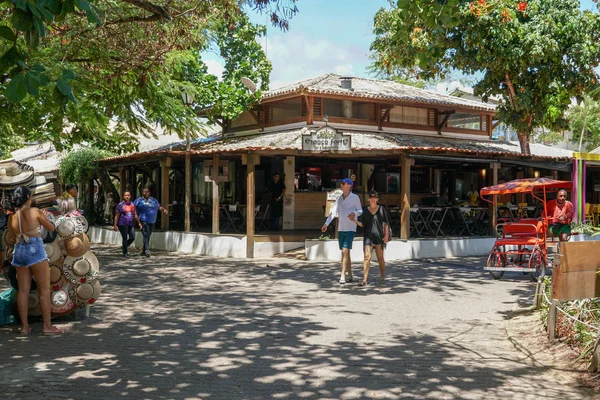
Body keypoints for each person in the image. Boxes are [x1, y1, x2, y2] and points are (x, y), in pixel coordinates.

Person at [7, 186, 61, 335]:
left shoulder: (12, 217)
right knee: (44, 289)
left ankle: (24, 327)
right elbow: (51, 228)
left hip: (19, 251)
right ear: (28, 196)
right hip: (34, 249)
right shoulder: (35, 212)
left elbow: (11, 238)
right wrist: (46, 216)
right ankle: (47, 327)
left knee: (23, 291)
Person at [321, 178, 363, 285]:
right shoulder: (339, 198)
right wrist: (326, 224)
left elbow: (360, 210)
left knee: (345, 251)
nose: (341, 185)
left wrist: (354, 213)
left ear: (349, 185)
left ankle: (342, 275)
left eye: (343, 183)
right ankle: (350, 274)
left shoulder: (355, 197)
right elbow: (333, 212)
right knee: (345, 253)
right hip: (341, 228)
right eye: (341, 183)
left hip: (350, 228)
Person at [350, 190, 390, 286]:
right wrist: (354, 221)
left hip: (379, 236)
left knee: (380, 258)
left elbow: (386, 223)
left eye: (375, 197)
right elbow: (363, 224)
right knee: (367, 257)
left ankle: (382, 275)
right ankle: (364, 279)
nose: (373, 198)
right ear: (369, 199)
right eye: (371, 196)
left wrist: (386, 235)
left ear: (377, 199)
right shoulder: (365, 211)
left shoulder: (381, 209)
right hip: (368, 237)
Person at [134, 187, 168, 257]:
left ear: (149, 193)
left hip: (152, 220)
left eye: (146, 192)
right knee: (146, 233)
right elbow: (134, 208)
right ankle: (147, 250)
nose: (144, 193)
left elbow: (158, 207)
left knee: (147, 235)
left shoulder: (153, 200)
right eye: (143, 192)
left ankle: (143, 251)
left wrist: (164, 210)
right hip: (143, 219)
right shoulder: (139, 200)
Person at [113, 191, 139, 258]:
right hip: (122, 224)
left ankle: (124, 247)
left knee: (132, 237)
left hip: (131, 224)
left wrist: (139, 223)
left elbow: (135, 214)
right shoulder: (121, 205)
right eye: (125, 195)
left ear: (130, 196)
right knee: (124, 238)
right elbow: (117, 215)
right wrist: (115, 225)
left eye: (128, 195)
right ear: (123, 196)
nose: (127, 196)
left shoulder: (132, 204)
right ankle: (125, 253)